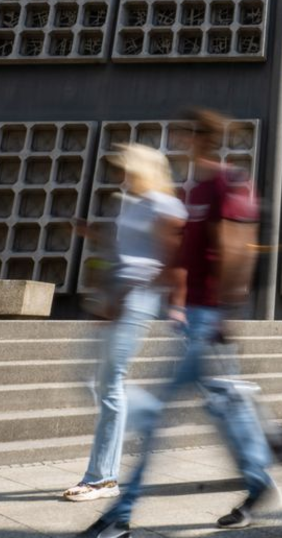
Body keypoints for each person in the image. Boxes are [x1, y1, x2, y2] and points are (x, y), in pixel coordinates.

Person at [82, 109, 275, 537]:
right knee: (226, 407)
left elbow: (239, 250)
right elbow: (177, 258)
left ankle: (120, 514)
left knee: (158, 413)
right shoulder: (195, 190)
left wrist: (223, 314)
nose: (176, 140)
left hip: (209, 320)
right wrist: (172, 301)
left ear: (199, 138)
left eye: (182, 133)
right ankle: (260, 480)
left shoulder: (228, 183)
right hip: (194, 318)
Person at [64, 144, 186, 502]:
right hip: (116, 296)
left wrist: (128, 297)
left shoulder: (166, 206)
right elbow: (128, 250)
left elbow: (169, 259)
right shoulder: (132, 205)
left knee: (110, 384)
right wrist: (94, 235)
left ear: (144, 170)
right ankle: (149, 418)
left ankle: (101, 478)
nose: (121, 176)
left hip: (134, 299)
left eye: (126, 170)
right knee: (89, 379)